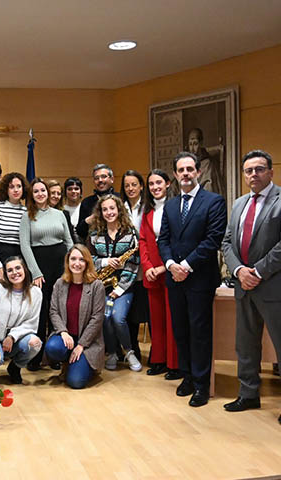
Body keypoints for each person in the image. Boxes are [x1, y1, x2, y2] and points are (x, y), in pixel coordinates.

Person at [221, 150, 281, 426]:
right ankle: (248, 394)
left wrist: (257, 271)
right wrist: (239, 271)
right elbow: (226, 242)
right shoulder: (238, 203)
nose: (253, 175)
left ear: (271, 171)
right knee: (245, 345)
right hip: (244, 285)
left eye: (259, 169)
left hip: (276, 287)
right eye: (248, 170)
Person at [157, 151, 227, 408]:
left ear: (197, 171)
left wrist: (185, 265)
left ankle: (201, 384)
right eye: (181, 170)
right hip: (174, 278)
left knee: (199, 332)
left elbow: (213, 240)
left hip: (200, 278)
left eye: (190, 169)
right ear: (175, 175)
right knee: (181, 330)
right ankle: (186, 375)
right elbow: (163, 239)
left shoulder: (214, 201)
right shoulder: (171, 205)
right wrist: (170, 264)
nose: (185, 174)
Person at [20, 178, 73, 370]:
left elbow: (69, 242)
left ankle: (55, 356)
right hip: (39, 267)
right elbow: (25, 245)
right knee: (40, 313)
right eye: (36, 191)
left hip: (61, 266)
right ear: (32, 195)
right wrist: (35, 272)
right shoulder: (27, 216)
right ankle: (35, 357)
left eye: (43, 190)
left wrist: (71, 267)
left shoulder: (60, 214)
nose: (41, 194)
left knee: (57, 311)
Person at [86, 194, 142, 372]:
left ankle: (128, 351)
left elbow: (134, 262)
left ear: (119, 209)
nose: (109, 212)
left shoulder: (131, 232)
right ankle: (111, 353)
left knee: (118, 318)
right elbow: (88, 259)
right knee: (104, 317)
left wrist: (120, 288)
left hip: (124, 285)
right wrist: (104, 262)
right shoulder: (94, 234)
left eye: (112, 208)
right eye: (105, 209)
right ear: (100, 213)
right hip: (101, 283)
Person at [44, 245, 106, 389]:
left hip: (88, 341)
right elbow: (53, 311)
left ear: (87, 263)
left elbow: (97, 319)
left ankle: (84, 366)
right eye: (73, 259)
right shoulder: (60, 283)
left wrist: (81, 345)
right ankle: (68, 362)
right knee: (53, 348)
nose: (77, 263)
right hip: (67, 336)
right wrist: (63, 332)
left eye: (81, 260)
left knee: (75, 382)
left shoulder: (97, 286)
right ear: (67, 262)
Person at [139, 169, 180, 379]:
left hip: (172, 270)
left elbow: (177, 242)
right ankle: (159, 360)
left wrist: (165, 266)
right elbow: (143, 241)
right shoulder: (147, 211)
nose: (155, 187)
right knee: (156, 320)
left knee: (172, 319)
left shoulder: (176, 207)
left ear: (167, 184)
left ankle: (175, 364)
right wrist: (147, 267)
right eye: (151, 184)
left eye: (158, 183)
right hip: (152, 272)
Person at [0, 256, 42, 384]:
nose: (15, 272)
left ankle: (15, 367)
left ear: (25, 269)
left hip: (16, 340)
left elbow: (31, 323)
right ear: (5, 274)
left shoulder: (36, 292)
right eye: (10, 270)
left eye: (18, 268)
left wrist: (12, 337)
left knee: (35, 343)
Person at [120, 170, 149, 362]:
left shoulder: (147, 207)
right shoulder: (119, 207)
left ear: (141, 186)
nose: (130, 188)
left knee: (146, 309)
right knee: (129, 312)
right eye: (127, 185)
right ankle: (133, 349)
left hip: (146, 263)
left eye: (134, 184)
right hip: (126, 265)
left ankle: (157, 353)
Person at [0, 172, 28, 284]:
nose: (16, 190)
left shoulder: (26, 212)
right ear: (5, 190)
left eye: (19, 186)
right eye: (12, 187)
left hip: (19, 260)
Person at [75, 164, 117, 242]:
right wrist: (88, 221)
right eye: (96, 178)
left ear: (112, 179)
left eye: (104, 176)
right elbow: (80, 232)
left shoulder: (120, 199)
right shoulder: (86, 202)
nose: (100, 180)